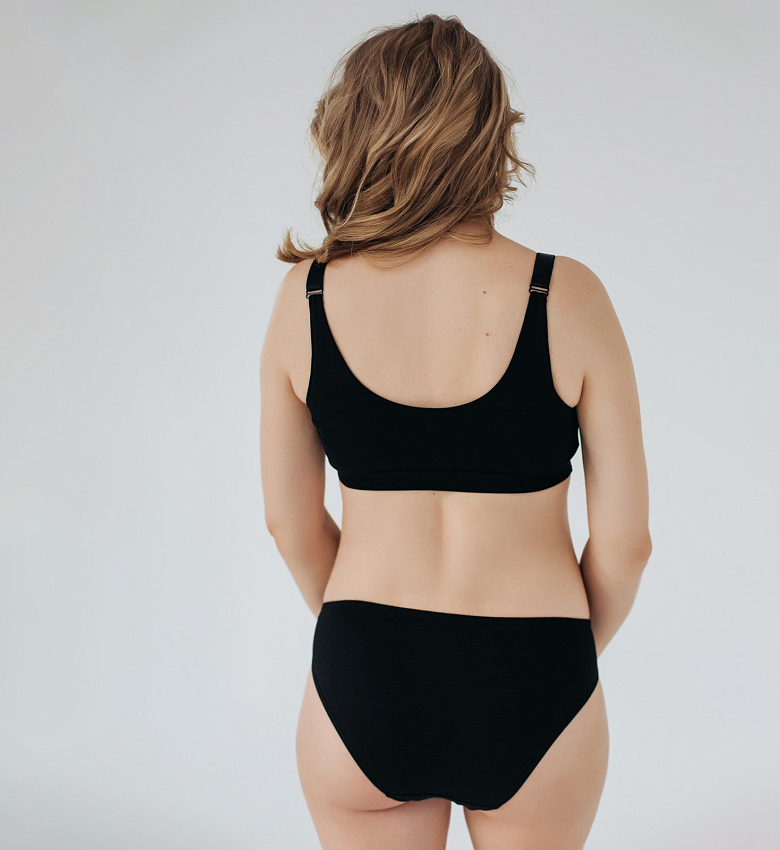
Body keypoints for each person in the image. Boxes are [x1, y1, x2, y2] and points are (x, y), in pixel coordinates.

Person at [260, 13, 651, 850]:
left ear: (352, 130)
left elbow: (290, 524)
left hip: (366, 667)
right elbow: (627, 545)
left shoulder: (307, 299)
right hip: (535, 668)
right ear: (491, 137)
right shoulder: (567, 295)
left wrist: (368, 642)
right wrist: (559, 657)